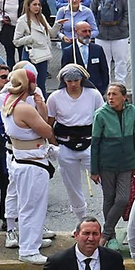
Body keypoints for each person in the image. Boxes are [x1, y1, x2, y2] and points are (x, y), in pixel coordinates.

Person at [1, 64, 56, 264]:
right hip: (32, 163)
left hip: (21, 159)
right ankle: (29, 249)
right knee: (32, 207)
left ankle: (30, 242)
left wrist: (40, 104)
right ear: (29, 84)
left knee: (28, 206)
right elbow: (47, 131)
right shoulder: (23, 107)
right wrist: (41, 111)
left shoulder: (8, 100)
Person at [47, 64, 104, 223]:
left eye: (76, 80)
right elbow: (48, 124)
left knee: (105, 183)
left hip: (89, 145)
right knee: (73, 189)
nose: (73, 84)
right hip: (65, 146)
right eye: (69, 81)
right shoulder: (55, 98)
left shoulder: (93, 95)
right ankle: (81, 222)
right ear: (63, 81)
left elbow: (102, 120)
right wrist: (55, 146)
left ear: (82, 79)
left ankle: (108, 225)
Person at [91, 83, 135, 243]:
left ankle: (106, 232)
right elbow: (95, 143)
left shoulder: (132, 111)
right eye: (109, 94)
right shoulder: (100, 114)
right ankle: (110, 235)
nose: (110, 97)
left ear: (124, 97)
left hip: (126, 163)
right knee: (109, 198)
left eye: (114, 94)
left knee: (122, 199)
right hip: (107, 163)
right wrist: (94, 169)